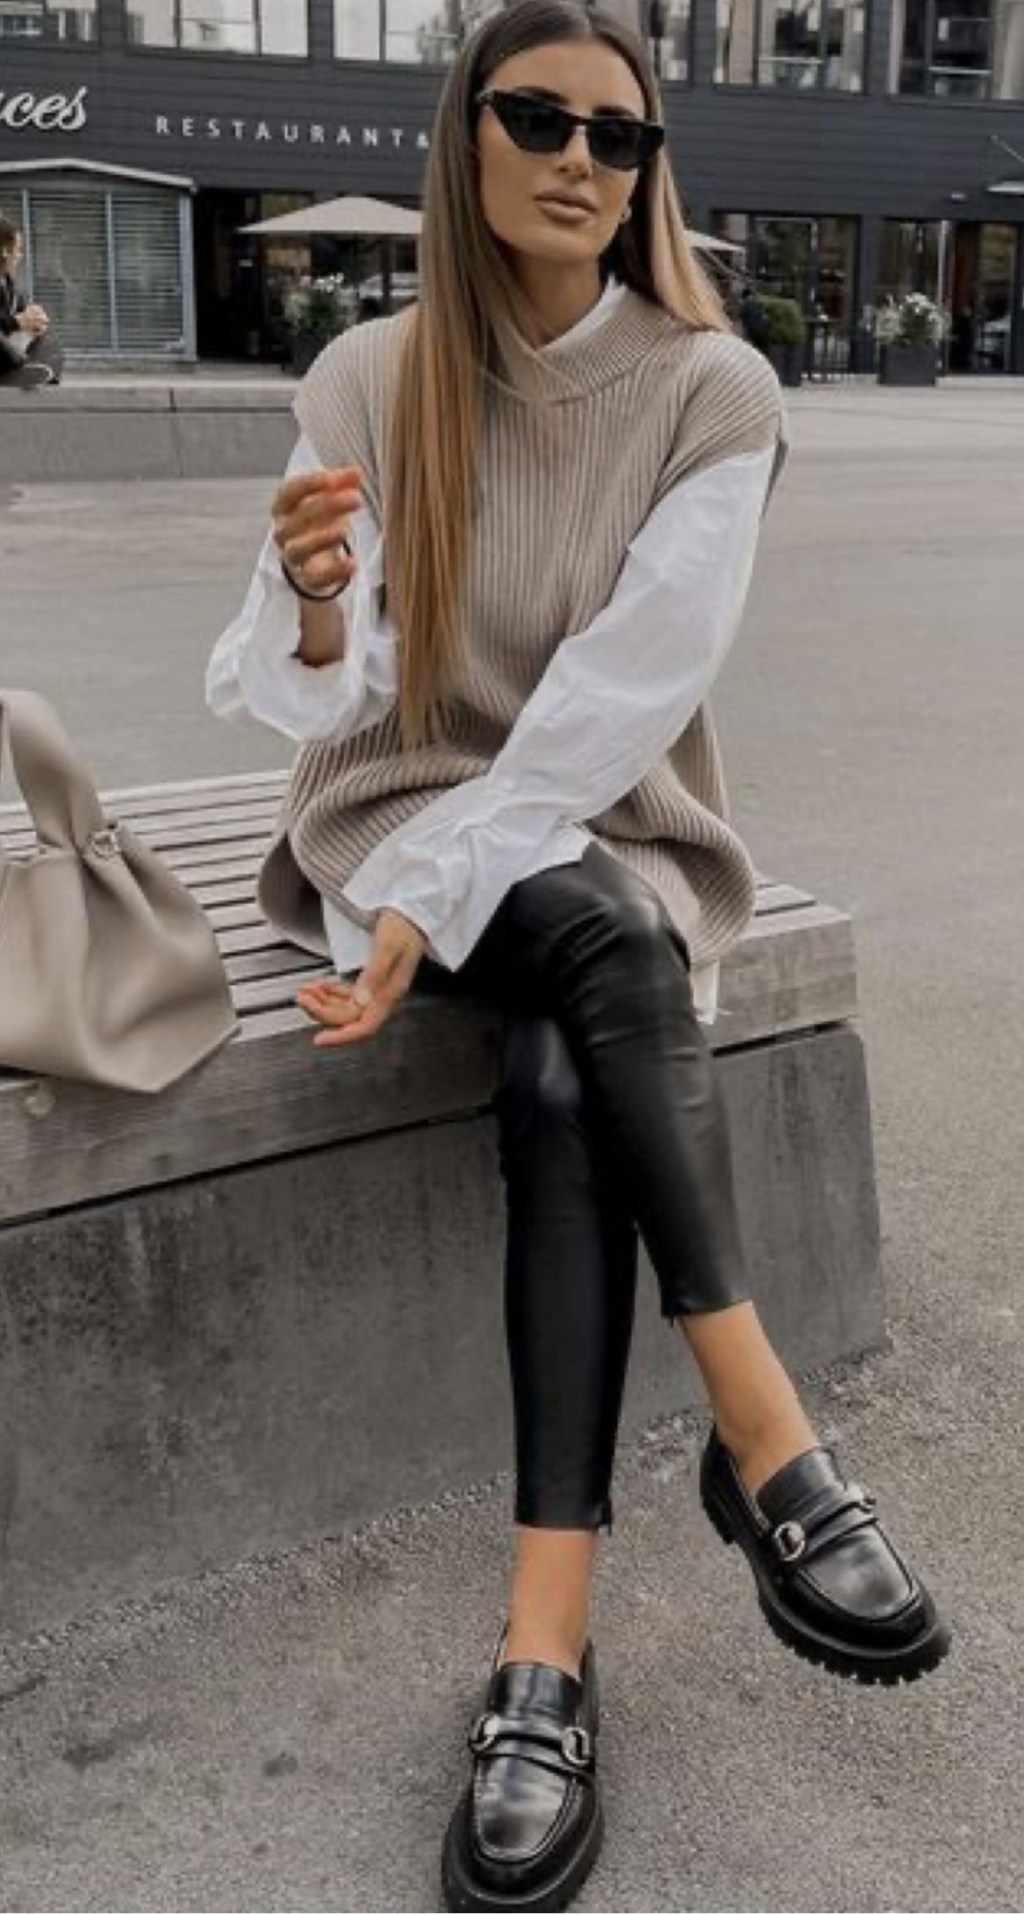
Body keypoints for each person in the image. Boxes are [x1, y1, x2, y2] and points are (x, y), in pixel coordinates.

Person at [208, 4, 950, 1906]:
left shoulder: (714, 388)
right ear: (464, 135)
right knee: (596, 951)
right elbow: (318, 700)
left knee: (566, 1049)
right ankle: (764, 1435)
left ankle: (543, 1645)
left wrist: (433, 909)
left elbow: (618, 703)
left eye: (616, 137)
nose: (576, 159)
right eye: (534, 117)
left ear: (646, 175)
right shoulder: (366, 374)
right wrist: (311, 603)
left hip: (609, 823)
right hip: (396, 810)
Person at [0, 217, 63, 389]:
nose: (20, 256)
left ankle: (27, 371)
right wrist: (16, 321)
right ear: (5, 251)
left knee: (52, 348)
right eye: (18, 250)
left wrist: (35, 321)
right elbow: (13, 320)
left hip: (11, 353)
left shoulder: (8, 283)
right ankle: (20, 371)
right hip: (5, 353)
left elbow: (23, 311)